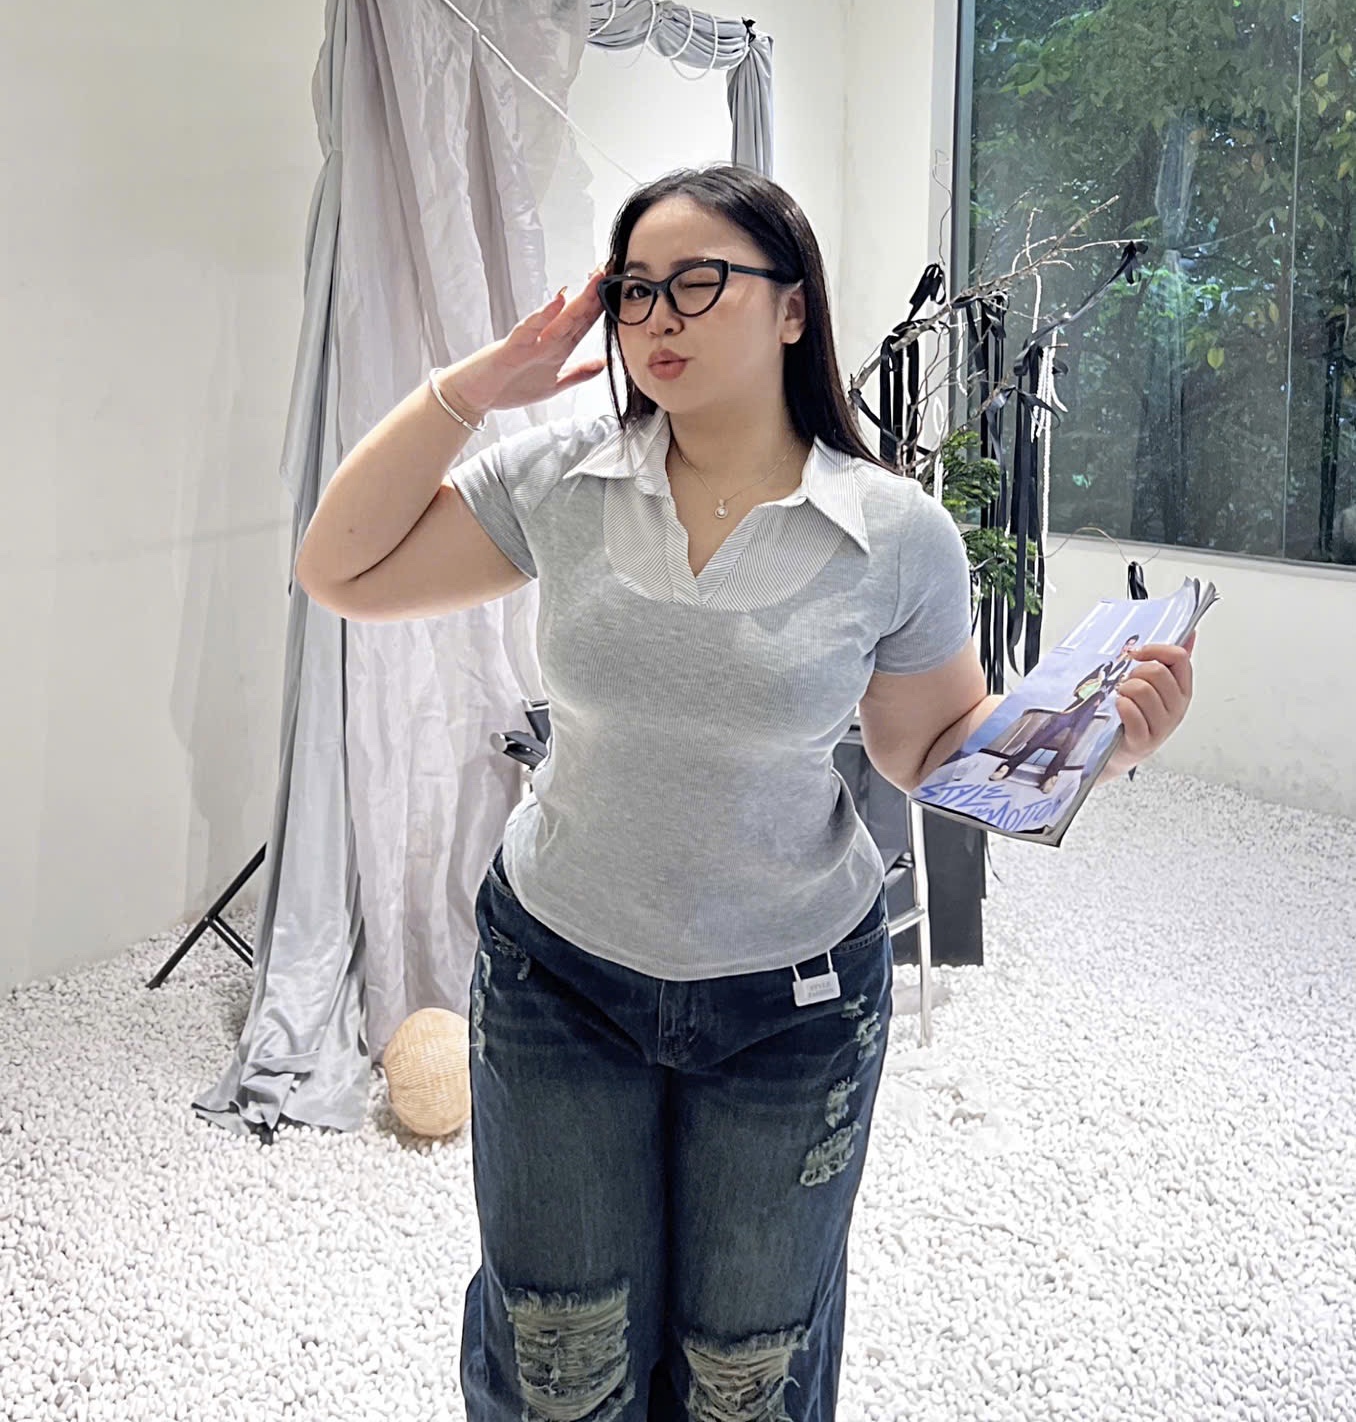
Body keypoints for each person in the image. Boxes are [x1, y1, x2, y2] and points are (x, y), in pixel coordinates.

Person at [294, 165, 1195, 1422]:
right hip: (559, 976)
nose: (658, 315)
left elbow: (927, 746)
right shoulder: (564, 480)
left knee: (746, 1370)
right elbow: (339, 567)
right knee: (559, 1356)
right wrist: (475, 388)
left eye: (698, 281)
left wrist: (1104, 740)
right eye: (634, 290)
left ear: (791, 306)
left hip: (793, 1001)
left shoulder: (895, 531)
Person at [988, 636, 1142, 793]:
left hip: (1091, 709)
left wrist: (1104, 693)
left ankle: (1051, 775)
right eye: (1127, 645)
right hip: (1076, 705)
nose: (1128, 649)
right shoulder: (1108, 663)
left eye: (1132, 647)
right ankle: (1009, 765)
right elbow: (1086, 683)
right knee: (1044, 734)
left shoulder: (1126, 671)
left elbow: (1114, 688)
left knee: (1071, 743)